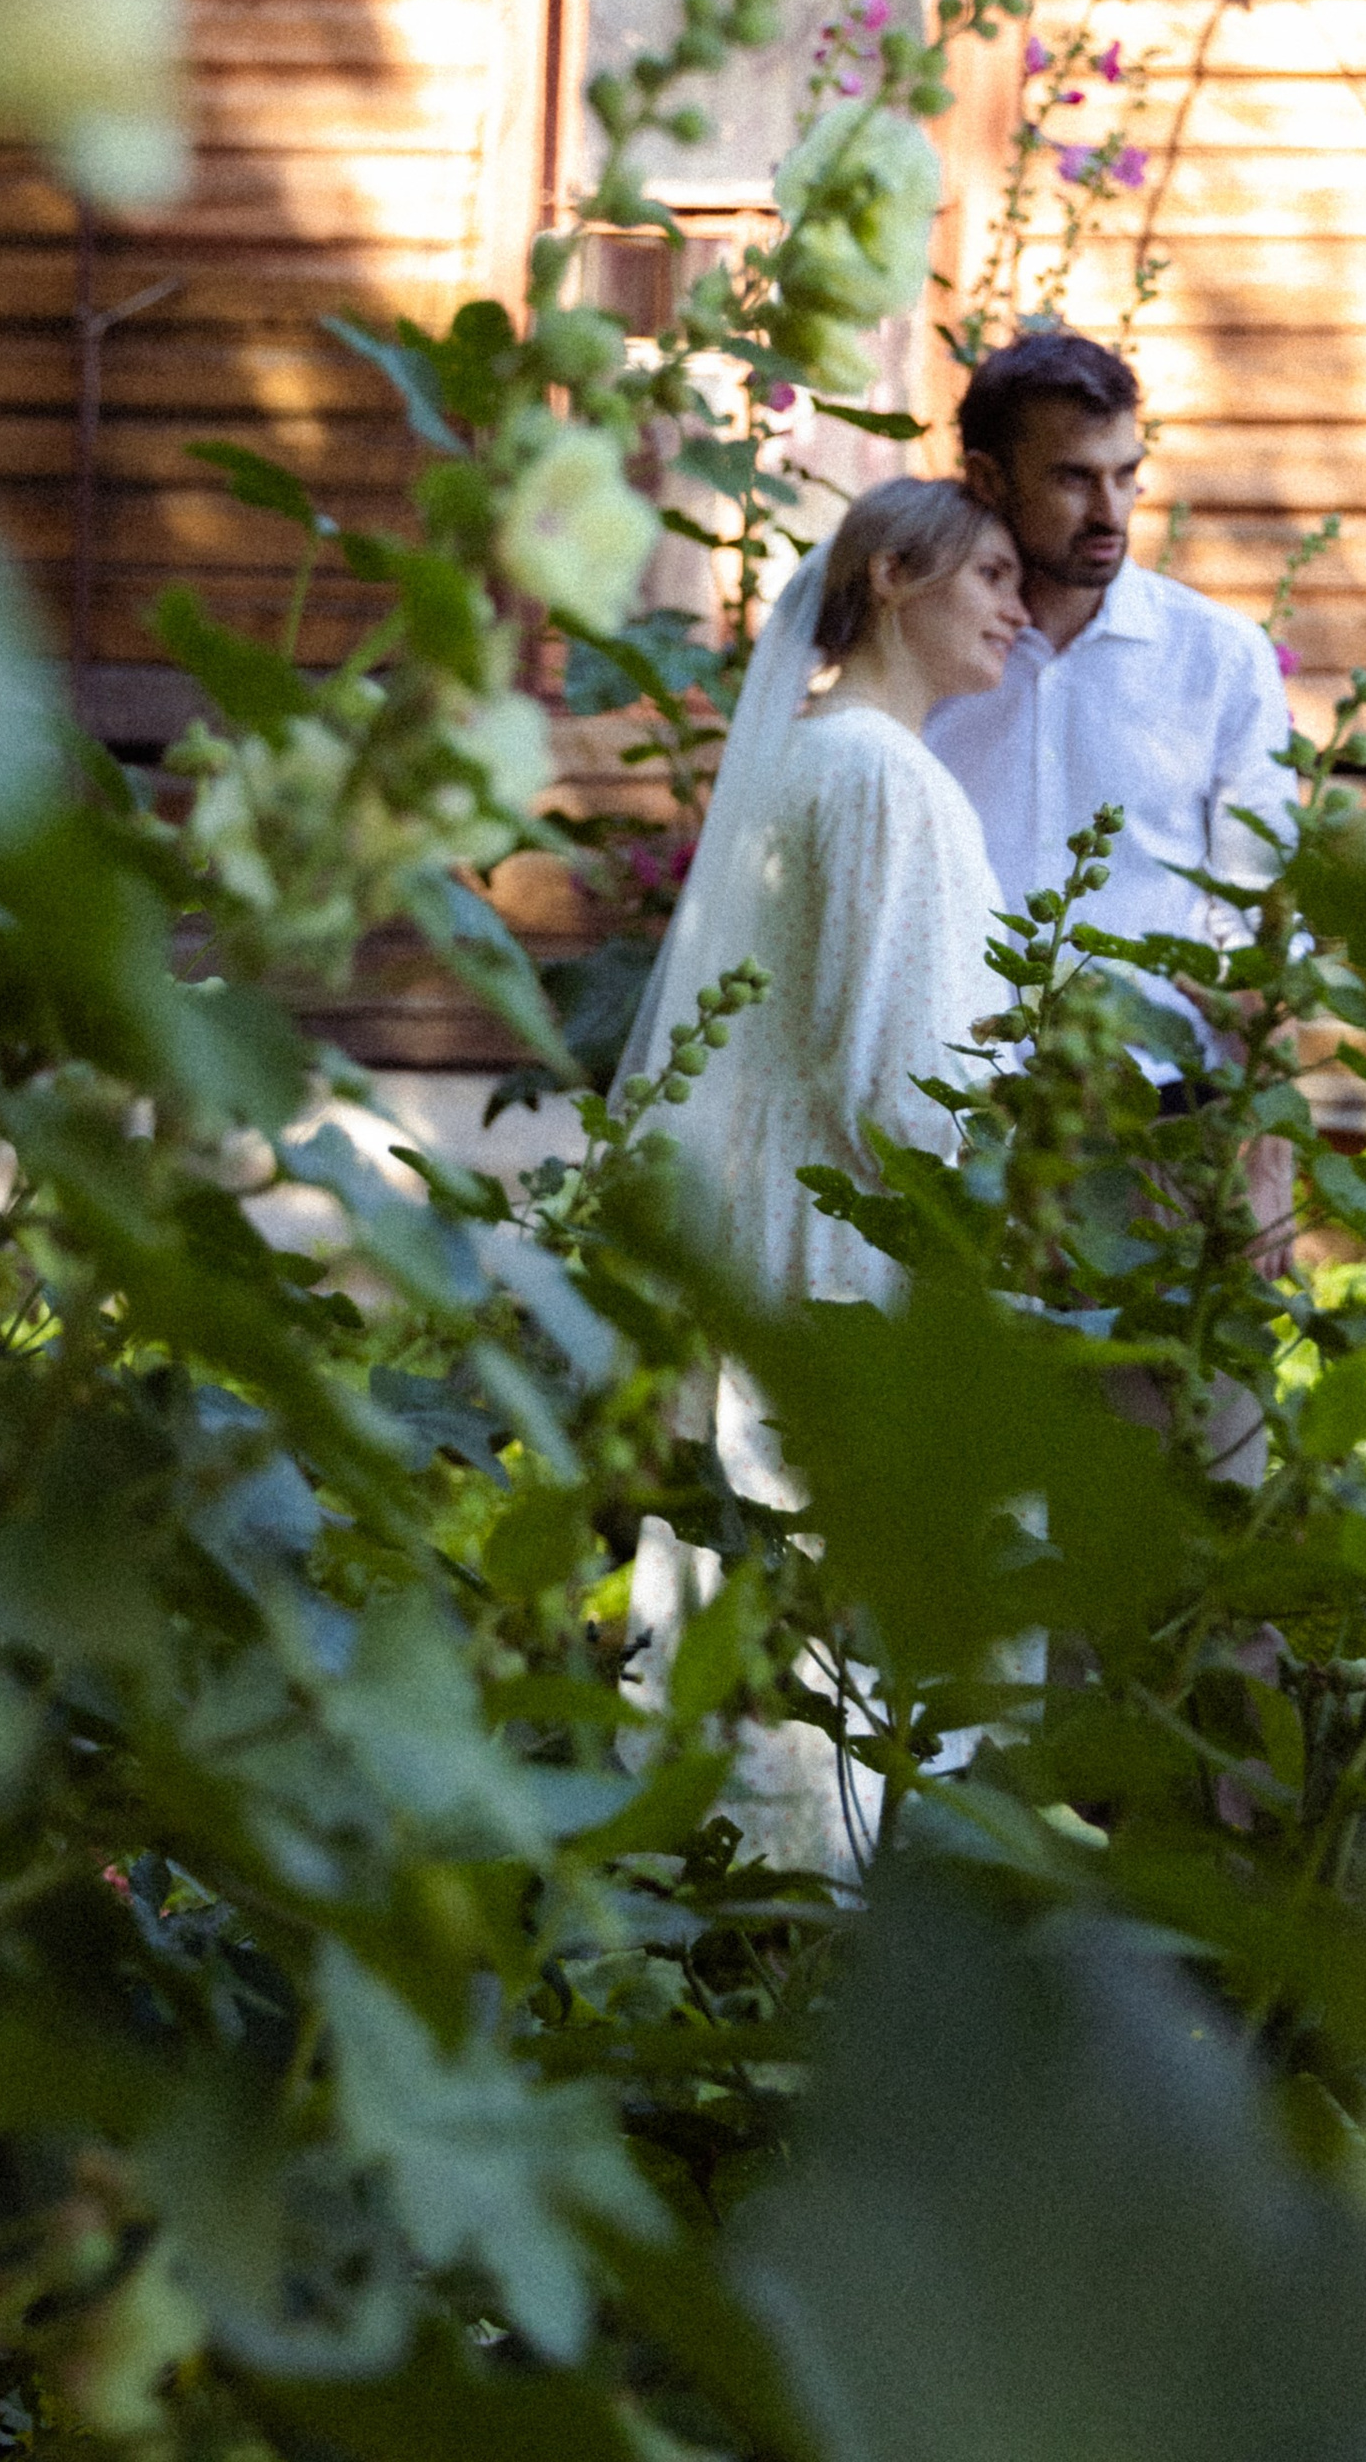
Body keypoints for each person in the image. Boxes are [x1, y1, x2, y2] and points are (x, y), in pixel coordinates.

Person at [619, 475, 1029, 1875]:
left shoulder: (803, 759)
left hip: (770, 1214)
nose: (1017, 614)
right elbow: (898, 1080)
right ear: (899, 577)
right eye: (991, 579)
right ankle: (822, 1912)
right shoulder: (881, 779)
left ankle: (730, 1897)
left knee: (763, 1601)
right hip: (854, 1244)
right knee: (843, 1607)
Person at [925, 329, 1295, 1055]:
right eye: (1073, 478)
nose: (1110, 513)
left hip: (1160, 1115)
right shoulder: (923, 658)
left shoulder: (1217, 657)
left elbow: (1258, 906)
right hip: (956, 1112)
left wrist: (1264, 1133)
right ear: (988, 479)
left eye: (1126, 474)